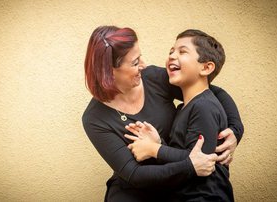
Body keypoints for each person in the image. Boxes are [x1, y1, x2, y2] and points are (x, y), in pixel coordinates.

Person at [82, 26, 244, 202]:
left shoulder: (153, 78)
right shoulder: (95, 118)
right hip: (137, 188)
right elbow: (134, 174)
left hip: (183, 182)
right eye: (135, 63)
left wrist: (235, 130)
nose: (143, 65)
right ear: (110, 72)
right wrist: (188, 165)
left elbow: (213, 93)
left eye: (140, 57)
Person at [125, 29, 236, 201]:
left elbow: (203, 161)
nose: (172, 56)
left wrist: (154, 149)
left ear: (206, 67)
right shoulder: (184, 108)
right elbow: (186, 158)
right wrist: (159, 142)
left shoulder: (204, 106)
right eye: (171, 51)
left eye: (182, 51)